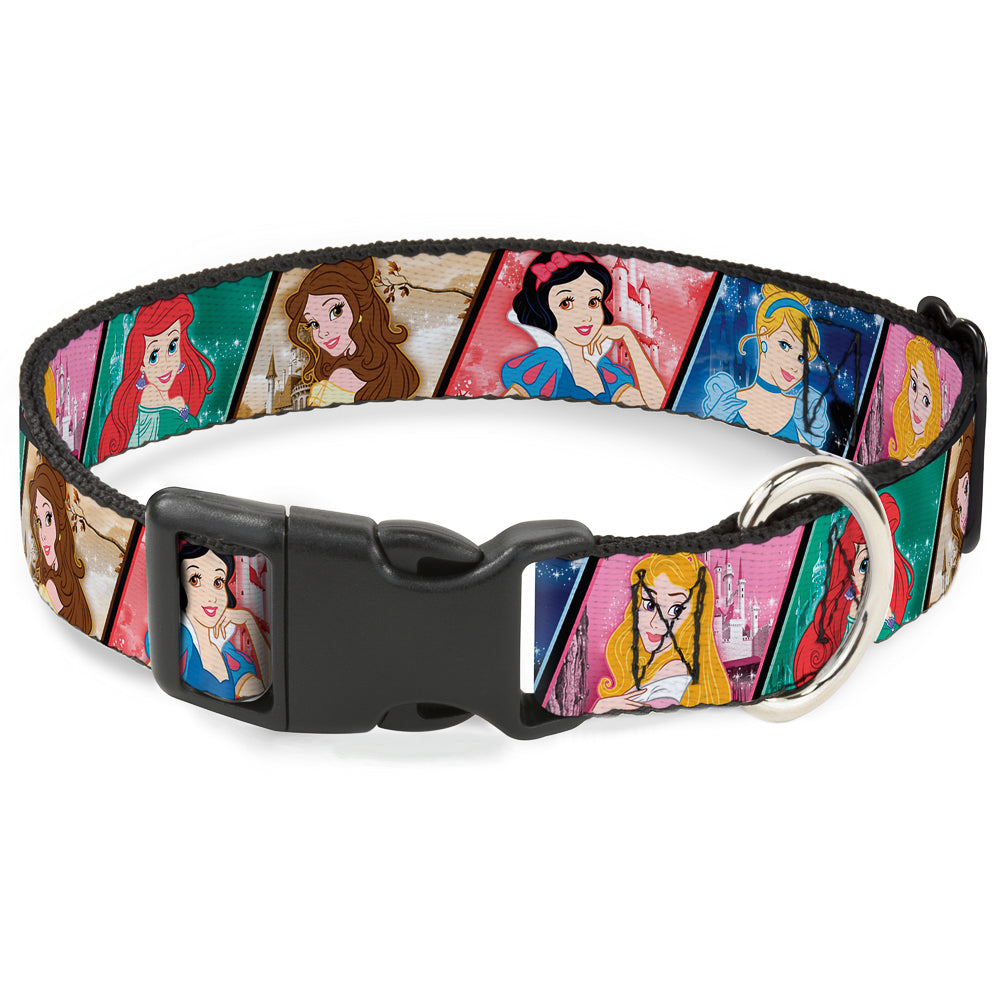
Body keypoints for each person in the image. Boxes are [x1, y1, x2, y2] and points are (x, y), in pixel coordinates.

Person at [501, 251, 666, 408]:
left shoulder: (604, 369)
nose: (586, 316)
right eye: (566, 303)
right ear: (544, 311)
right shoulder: (548, 363)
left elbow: (657, 404)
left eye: (593, 302)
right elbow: (506, 414)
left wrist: (628, 336)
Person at [792, 493, 913, 687]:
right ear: (850, 570)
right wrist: (850, 618)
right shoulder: (841, 606)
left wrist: (886, 617)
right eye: (863, 566)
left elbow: (888, 627)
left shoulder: (886, 599)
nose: (871, 573)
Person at [592, 553, 731, 712]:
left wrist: (601, 706)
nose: (655, 622)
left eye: (675, 610)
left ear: (692, 619)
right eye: (649, 605)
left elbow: (628, 710)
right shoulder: (652, 662)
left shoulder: (675, 669)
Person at [702, 283, 829, 446]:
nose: (794, 366)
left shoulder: (803, 413)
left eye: (801, 358)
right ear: (763, 336)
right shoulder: (726, 402)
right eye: (785, 345)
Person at [284, 258, 419, 406]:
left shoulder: (340, 378)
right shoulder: (393, 366)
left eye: (335, 312)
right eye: (314, 324)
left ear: (360, 309)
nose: (322, 333)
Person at [147, 541, 271, 701]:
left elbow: (266, 688)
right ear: (179, 587)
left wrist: (249, 621)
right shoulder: (175, 638)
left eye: (218, 582)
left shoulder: (231, 654)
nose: (211, 597)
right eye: (195, 580)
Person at [98, 294, 215, 461]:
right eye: (154, 356)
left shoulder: (173, 398)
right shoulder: (150, 394)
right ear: (142, 364)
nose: (166, 364)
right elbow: (174, 435)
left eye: (172, 347)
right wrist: (179, 409)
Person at [27, 457, 93, 634]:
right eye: (38, 521)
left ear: (61, 521)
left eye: (48, 518)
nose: (43, 534)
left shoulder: (69, 582)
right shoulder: (49, 584)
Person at [888, 336, 941, 464]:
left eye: (926, 400)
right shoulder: (907, 444)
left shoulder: (926, 454)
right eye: (914, 386)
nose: (916, 404)